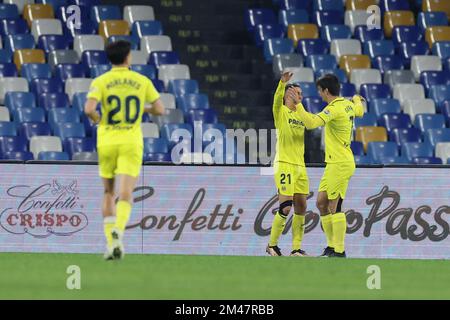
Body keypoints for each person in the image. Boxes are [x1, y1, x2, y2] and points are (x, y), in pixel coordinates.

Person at [84, 40, 165, 260]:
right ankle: (119, 230)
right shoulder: (141, 80)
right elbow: (160, 109)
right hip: (131, 141)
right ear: (128, 57)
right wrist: (142, 108)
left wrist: (99, 119)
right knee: (126, 193)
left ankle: (112, 243)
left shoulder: (101, 81)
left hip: (107, 140)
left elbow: (89, 108)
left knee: (108, 192)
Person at [285, 74, 365, 258]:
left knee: (334, 207)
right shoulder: (348, 104)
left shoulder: (334, 109)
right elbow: (359, 110)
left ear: (326, 91)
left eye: (320, 91)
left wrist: (298, 104)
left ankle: (339, 250)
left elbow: (311, 123)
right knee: (321, 203)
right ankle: (331, 247)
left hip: (340, 163)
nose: (319, 95)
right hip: (335, 163)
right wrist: (356, 99)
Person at [266, 71, 309, 257]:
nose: (301, 97)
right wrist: (282, 84)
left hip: (300, 166)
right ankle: (272, 245)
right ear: (288, 96)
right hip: (285, 163)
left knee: (301, 207)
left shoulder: (301, 114)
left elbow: (312, 121)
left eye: (301, 94)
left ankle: (296, 248)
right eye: (298, 93)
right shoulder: (281, 112)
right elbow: (277, 100)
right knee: (285, 207)